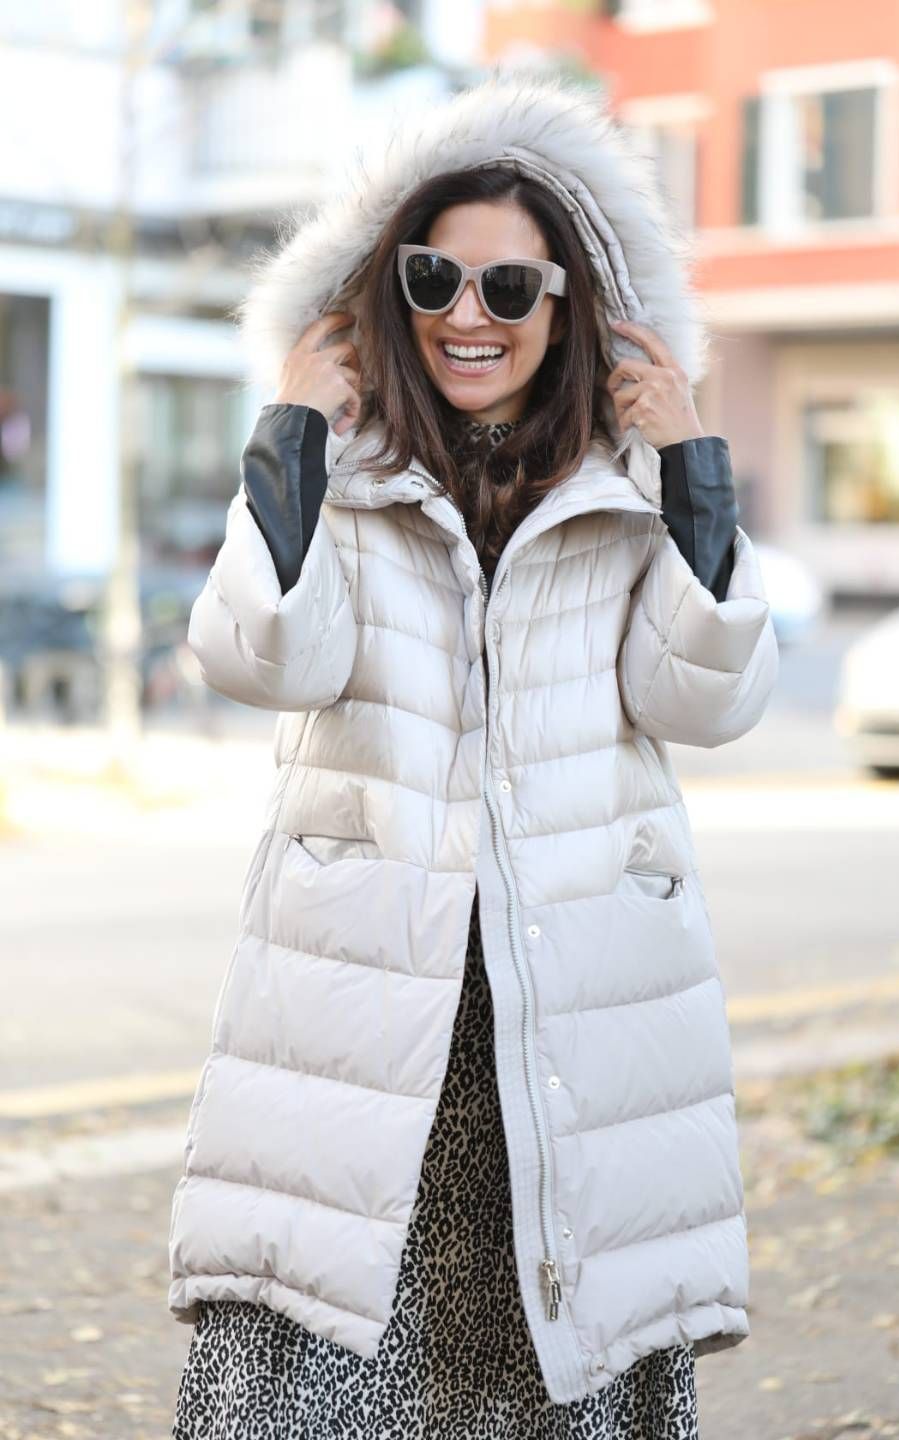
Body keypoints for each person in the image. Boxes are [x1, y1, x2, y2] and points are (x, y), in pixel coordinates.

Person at [168, 71, 778, 1439]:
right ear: (391, 290)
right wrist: (293, 437)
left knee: (556, 1364)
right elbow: (260, 655)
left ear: (567, 309)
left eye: (513, 288)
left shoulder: (625, 490)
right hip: (373, 1003)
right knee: (325, 1367)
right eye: (436, 277)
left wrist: (692, 466)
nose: (468, 315)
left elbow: (707, 698)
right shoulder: (349, 474)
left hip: (573, 1009)